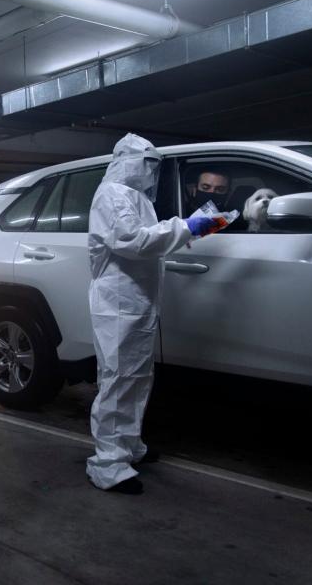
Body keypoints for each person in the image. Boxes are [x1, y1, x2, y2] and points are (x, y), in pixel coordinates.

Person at [86, 133, 217, 494]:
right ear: (127, 160)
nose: (151, 172)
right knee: (118, 379)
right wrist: (188, 226)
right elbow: (134, 241)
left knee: (137, 377)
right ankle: (107, 464)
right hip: (118, 303)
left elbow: (147, 237)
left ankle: (128, 446)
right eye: (147, 164)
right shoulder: (112, 194)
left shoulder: (135, 197)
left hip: (136, 301)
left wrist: (193, 228)